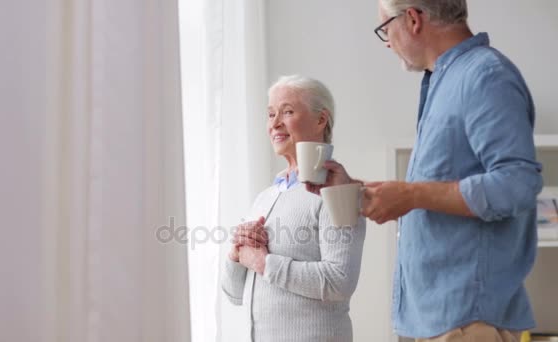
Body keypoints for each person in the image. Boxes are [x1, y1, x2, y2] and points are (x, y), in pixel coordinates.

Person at [307, 1, 543, 341]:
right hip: (443, 320)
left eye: (385, 28)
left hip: (468, 321)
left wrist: (411, 194)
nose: (387, 42)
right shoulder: (446, 80)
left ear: (413, 19)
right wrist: (359, 190)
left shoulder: (484, 75)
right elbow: (440, 188)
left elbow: (517, 183)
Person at [221, 75, 366, 342]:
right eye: (270, 113)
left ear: (321, 120)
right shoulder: (265, 197)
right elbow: (234, 294)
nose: (274, 123)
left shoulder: (338, 191)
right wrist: (236, 252)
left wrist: (264, 263)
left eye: (287, 112)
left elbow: (340, 280)